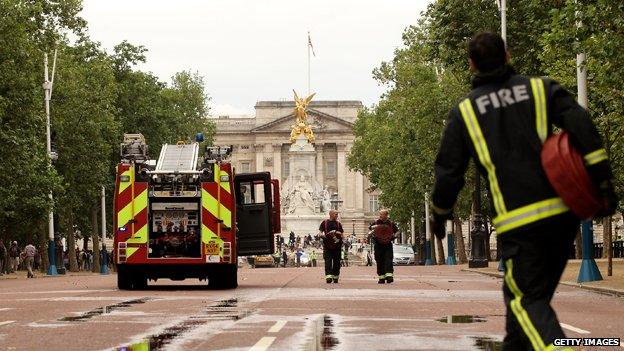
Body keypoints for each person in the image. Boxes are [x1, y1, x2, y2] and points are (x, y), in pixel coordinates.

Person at [430, 32, 618, 350]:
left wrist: (441, 215)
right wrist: (603, 183)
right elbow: (583, 126)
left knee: (526, 302)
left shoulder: (465, 111)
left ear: (471, 64)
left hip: (519, 224)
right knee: (523, 315)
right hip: (562, 218)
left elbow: (449, 171)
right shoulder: (540, 89)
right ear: (507, 55)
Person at [369, 210, 399, 284]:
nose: (380, 216)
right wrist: (374, 227)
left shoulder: (391, 223)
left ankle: (389, 277)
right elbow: (370, 228)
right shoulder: (376, 222)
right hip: (378, 245)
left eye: (382, 214)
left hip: (388, 245)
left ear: (386, 215)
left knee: (388, 260)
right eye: (380, 214)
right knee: (379, 261)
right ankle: (381, 278)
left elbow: (397, 231)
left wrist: (394, 236)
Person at [318, 209, 344, 283]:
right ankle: (328, 277)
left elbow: (342, 234)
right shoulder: (324, 223)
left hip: (337, 246)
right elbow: (320, 232)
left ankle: (336, 277)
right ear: (331, 214)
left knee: (337, 263)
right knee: (328, 262)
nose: (337, 215)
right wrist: (321, 236)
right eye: (336, 214)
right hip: (327, 245)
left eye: (337, 214)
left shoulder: (339, 224)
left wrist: (335, 232)